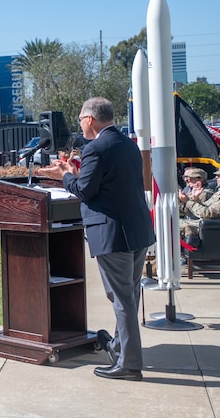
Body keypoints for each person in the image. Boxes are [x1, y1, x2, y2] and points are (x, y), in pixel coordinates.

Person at [39, 97, 154, 381]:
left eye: (80, 119)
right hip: (137, 230)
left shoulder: (95, 148)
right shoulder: (127, 144)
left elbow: (85, 191)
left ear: (90, 119)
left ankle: (129, 364)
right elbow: (107, 183)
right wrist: (76, 173)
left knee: (122, 298)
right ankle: (120, 348)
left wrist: (65, 174)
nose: (79, 124)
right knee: (129, 294)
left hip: (113, 233)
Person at [178, 164, 220, 246]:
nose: (216, 178)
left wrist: (188, 201)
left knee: (173, 224)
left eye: (219, 176)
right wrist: (195, 199)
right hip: (206, 224)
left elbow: (209, 214)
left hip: (212, 228)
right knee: (171, 221)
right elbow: (205, 207)